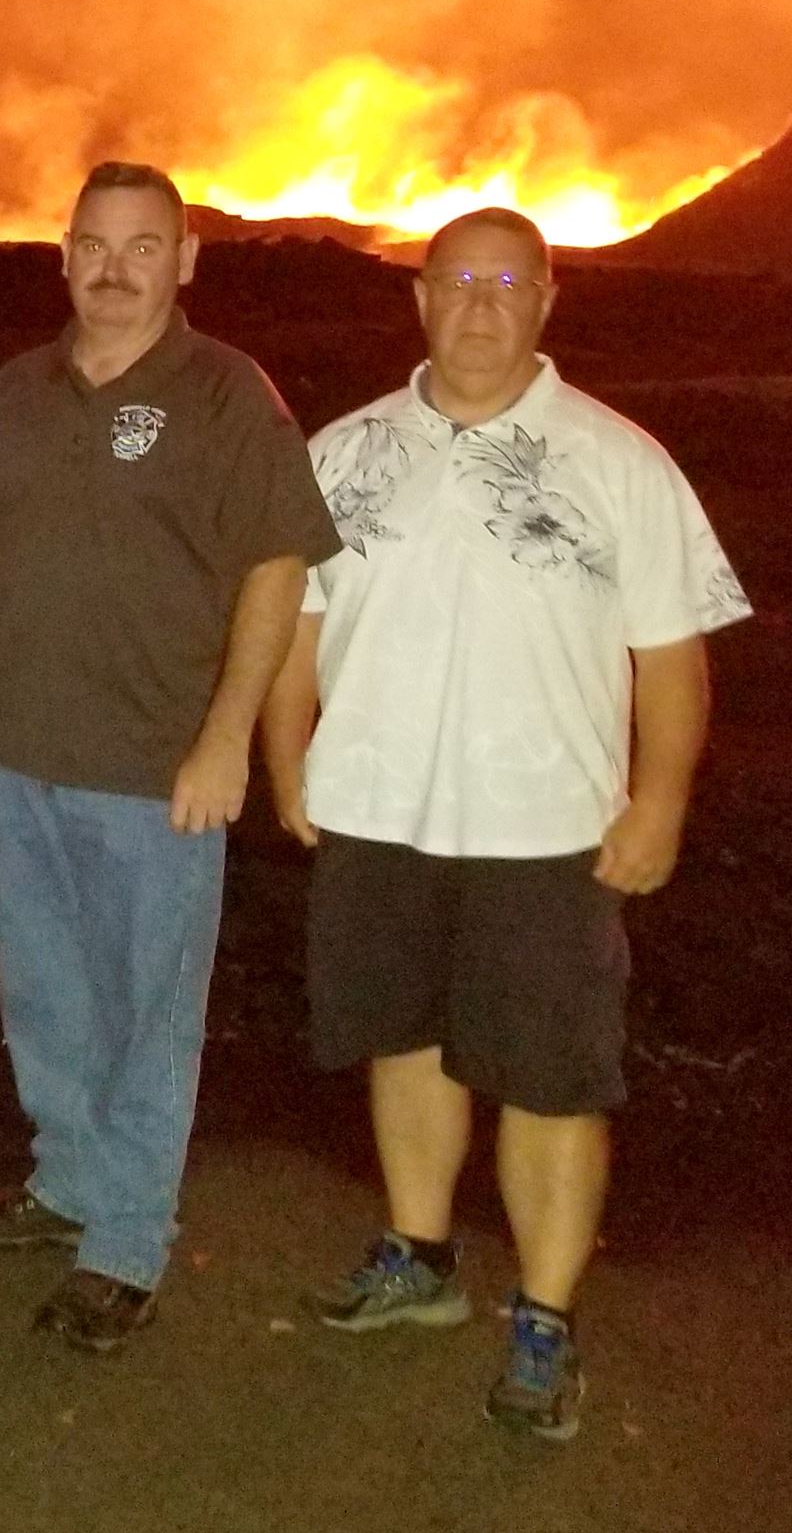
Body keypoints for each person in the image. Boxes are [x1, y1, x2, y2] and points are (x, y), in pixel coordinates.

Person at [261, 207, 747, 1441]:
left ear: (544, 299)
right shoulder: (341, 452)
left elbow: (670, 662)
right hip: (376, 808)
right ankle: (416, 1255)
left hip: (547, 826)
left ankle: (541, 1315)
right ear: (416, 298)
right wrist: (288, 765)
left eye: (504, 281)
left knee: (547, 1076)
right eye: (453, 280)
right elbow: (293, 632)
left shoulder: (616, 460)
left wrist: (658, 803)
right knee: (402, 1039)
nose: (476, 302)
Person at [0, 162, 339, 1351]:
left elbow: (275, 566)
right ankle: (63, 1180)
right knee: (47, 988)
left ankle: (125, 1241)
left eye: (141, 246)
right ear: (61, 253)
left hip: (154, 766)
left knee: (145, 1007)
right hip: (24, 748)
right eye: (93, 245)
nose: (113, 268)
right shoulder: (18, 387)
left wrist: (225, 740)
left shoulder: (222, 393)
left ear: (185, 259)